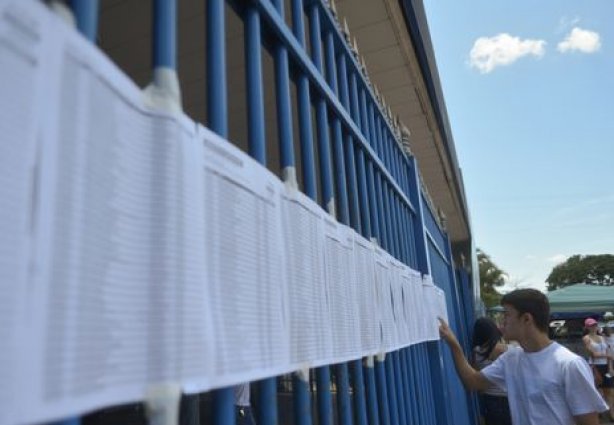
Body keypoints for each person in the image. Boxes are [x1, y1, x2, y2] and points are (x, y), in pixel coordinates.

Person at [439, 288, 608, 425]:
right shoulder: (511, 359)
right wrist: (454, 344)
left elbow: (589, 422)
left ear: (527, 319)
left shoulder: (569, 364)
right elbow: (472, 382)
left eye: (506, 315)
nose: (501, 323)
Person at [472, 317, 512, 425]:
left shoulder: (476, 352)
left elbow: (476, 376)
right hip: (506, 397)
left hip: (489, 399)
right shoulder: (504, 349)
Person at [583, 317, 614, 420]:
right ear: (587, 327)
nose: (594, 327)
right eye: (591, 325)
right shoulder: (586, 338)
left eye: (595, 325)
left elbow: (608, 351)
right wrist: (607, 356)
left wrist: (610, 367)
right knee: (597, 391)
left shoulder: (602, 337)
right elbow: (593, 354)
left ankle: (611, 414)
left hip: (605, 366)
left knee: (609, 390)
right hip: (595, 366)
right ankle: (598, 413)